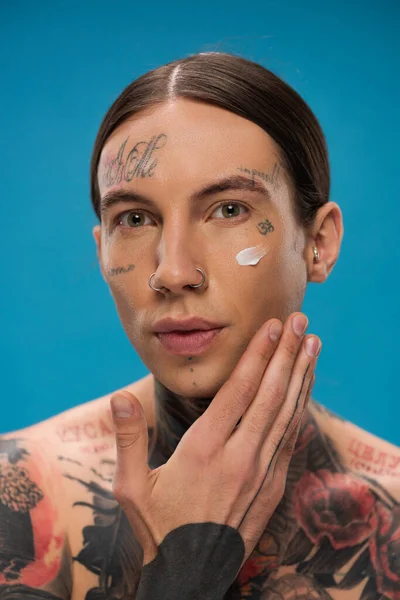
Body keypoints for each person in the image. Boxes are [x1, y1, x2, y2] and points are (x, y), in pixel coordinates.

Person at [0, 52, 398, 600]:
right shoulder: (20, 498)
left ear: (319, 242)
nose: (173, 272)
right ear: (100, 250)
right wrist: (182, 577)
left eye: (229, 210)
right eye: (134, 220)